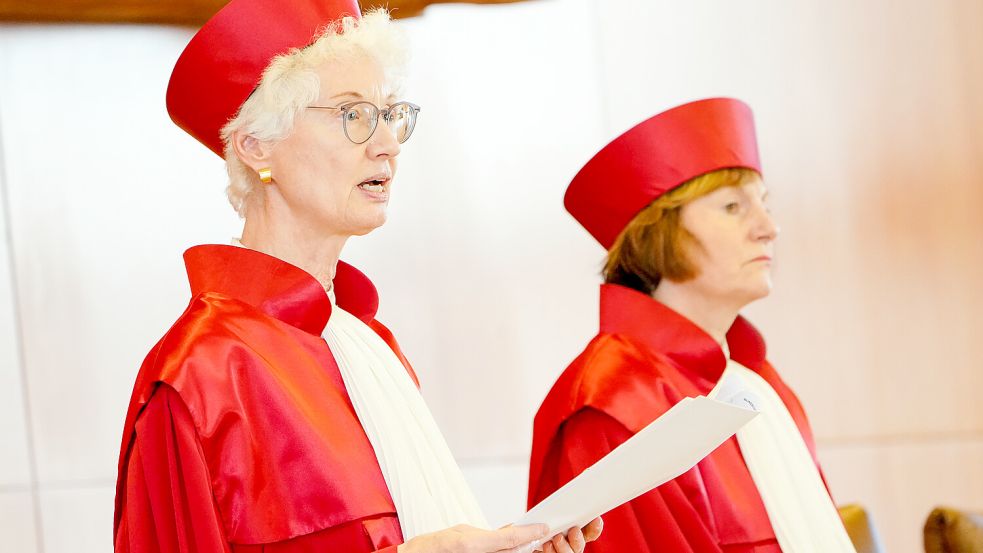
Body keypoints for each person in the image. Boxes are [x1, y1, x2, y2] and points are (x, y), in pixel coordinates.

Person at [113, 1, 601, 551]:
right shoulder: (201, 372)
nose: (387, 142)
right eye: (353, 115)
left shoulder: (368, 344)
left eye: (389, 113)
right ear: (256, 146)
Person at [528, 98, 856, 553]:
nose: (768, 228)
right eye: (732, 207)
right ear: (657, 231)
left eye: (763, 204)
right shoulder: (615, 403)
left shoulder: (758, 382)